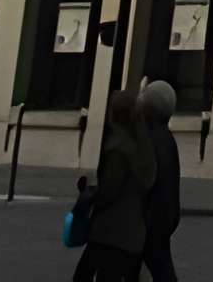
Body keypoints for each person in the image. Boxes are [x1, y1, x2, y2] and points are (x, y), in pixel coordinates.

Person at [72, 86, 153, 281]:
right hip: (133, 232)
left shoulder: (118, 148)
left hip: (110, 231)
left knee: (84, 276)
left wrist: (91, 195)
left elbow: (110, 190)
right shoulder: (142, 146)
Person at [137, 77, 183, 282]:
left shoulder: (149, 140)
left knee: (160, 269)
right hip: (162, 217)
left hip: (149, 220)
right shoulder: (166, 138)